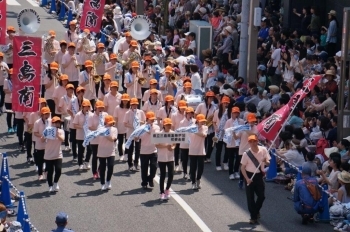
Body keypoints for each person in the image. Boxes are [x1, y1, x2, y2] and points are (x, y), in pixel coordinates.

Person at [240, 134, 271, 224]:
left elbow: (268, 163)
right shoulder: (246, 154)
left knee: (261, 196)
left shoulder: (263, 149)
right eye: (251, 142)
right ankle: (253, 217)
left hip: (258, 175)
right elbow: (242, 168)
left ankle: (256, 211)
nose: (253, 143)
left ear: (257, 141)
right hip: (249, 176)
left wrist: (266, 161)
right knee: (250, 198)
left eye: (254, 141)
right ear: (249, 143)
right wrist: (247, 178)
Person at [138, 111, 160, 189]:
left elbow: (156, 136)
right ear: (147, 119)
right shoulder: (141, 128)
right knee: (144, 168)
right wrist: (136, 136)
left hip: (153, 150)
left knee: (154, 167)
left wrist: (148, 131)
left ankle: (150, 178)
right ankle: (144, 182)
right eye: (151, 119)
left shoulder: (156, 127)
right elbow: (137, 138)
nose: (152, 121)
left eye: (153, 119)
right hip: (144, 151)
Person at [155, 118, 175, 201]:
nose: (169, 126)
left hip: (170, 157)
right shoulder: (159, 134)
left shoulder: (173, 133)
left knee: (171, 174)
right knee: (162, 175)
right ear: (164, 125)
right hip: (162, 157)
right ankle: (162, 192)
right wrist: (166, 146)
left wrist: (172, 147)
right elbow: (157, 145)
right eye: (167, 124)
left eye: (170, 124)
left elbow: (174, 144)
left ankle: (167, 189)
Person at [97, 115, 118, 191]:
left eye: (112, 123)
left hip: (111, 151)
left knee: (111, 166)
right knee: (102, 168)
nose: (111, 124)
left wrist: (106, 134)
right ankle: (102, 183)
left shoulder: (114, 129)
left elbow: (113, 139)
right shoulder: (100, 129)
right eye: (109, 123)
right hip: (101, 151)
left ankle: (108, 181)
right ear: (105, 122)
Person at [45, 116, 65, 193]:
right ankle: (50, 185)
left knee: (58, 170)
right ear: (52, 123)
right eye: (55, 122)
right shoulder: (47, 130)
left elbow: (62, 139)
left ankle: (55, 183)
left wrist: (57, 134)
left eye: (58, 122)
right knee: (50, 171)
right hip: (48, 155)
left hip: (58, 154)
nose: (57, 124)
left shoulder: (61, 131)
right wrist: (45, 134)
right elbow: (42, 139)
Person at [189, 114, 208, 190]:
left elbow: (204, 135)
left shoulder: (205, 127)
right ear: (197, 121)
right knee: (193, 167)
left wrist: (195, 131)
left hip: (201, 150)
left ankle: (198, 179)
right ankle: (193, 182)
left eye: (203, 121)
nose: (203, 123)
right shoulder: (192, 127)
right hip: (192, 150)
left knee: (201, 167)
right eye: (201, 121)